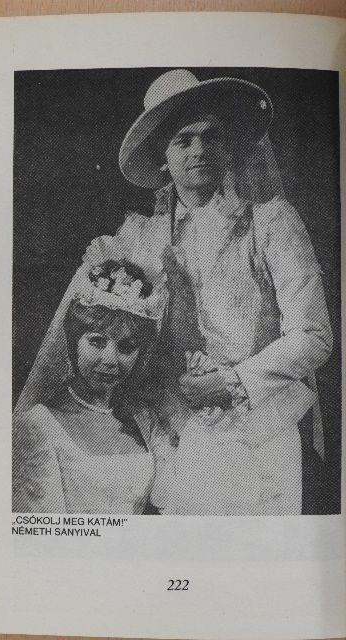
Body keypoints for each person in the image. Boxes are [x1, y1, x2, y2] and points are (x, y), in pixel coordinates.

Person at [85, 69, 333, 515]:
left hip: (259, 432)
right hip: (171, 434)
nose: (199, 150)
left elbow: (313, 336)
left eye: (211, 137)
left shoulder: (271, 223)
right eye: (183, 140)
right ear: (163, 158)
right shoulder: (140, 239)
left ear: (229, 147)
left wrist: (231, 382)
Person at [12, 259, 169, 514]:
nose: (110, 360)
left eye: (126, 347)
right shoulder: (37, 424)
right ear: (73, 341)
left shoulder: (144, 418)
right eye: (97, 342)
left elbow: (172, 497)